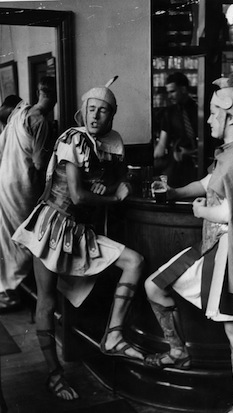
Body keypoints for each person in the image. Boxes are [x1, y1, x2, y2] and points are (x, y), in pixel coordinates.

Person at [144, 76, 233, 413]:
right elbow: (211, 182)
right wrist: (176, 192)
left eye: (213, 113)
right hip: (218, 247)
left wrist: (200, 210)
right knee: (155, 285)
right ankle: (178, 351)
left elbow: (229, 211)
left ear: (231, 119)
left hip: (232, 255)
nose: (208, 119)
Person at [12, 84, 145, 401]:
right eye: (91, 109)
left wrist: (119, 183)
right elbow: (76, 195)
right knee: (47, 301)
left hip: (81, 232)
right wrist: (113, 197)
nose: (95, 116)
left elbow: (118, 176)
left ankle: (113, 336)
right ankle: (54, 374)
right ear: (83, 112)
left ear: (112, 115)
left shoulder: (112, 143)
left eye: (103, 110)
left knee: (134, 261)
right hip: (51, 227)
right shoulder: (73, 139)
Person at [0, 79, 56, 313]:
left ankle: (8, 289)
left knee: (8, 237)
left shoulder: (20, 113)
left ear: (37, 92)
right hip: (22, 184)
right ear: (55, 97)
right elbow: (39, 162)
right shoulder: (40, 120)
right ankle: (11, 291)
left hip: (5, 180)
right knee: (24, 236)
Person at [153, 72, 198, 187]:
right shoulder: (169, 113)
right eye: (168, 92)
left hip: (199, 161)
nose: (169, 96)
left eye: (172, 91)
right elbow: (162, 144)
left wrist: (191, 152)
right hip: (177, 164)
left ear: (183, 89)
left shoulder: (199, 110)